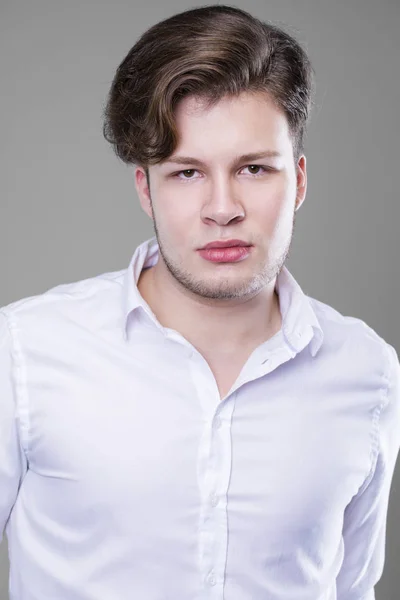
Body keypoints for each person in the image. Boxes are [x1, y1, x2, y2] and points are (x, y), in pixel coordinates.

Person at [1, 4, 399, 599]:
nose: (222, 207)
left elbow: (353, 588)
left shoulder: (367, 372)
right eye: (187, 173)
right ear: (146, 188)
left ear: (301, 181)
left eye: (255, 169)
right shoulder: (24, 352)